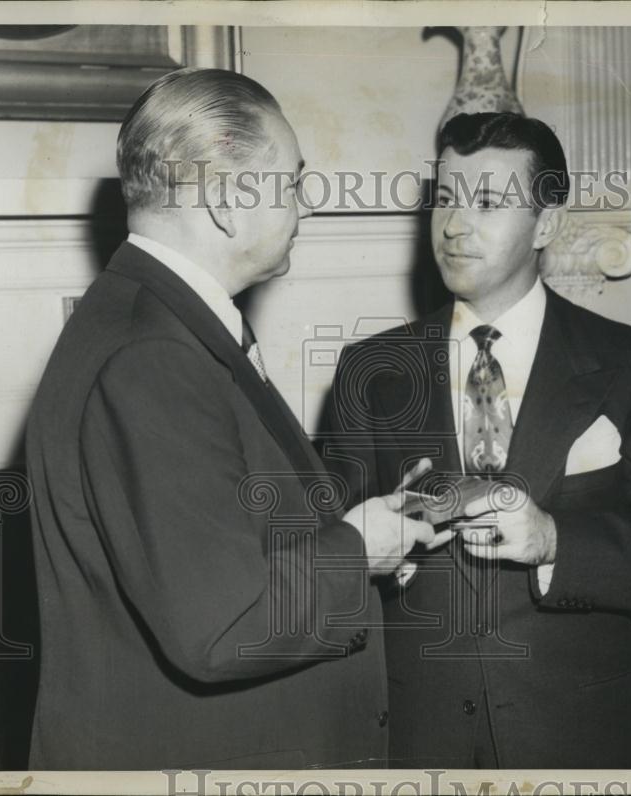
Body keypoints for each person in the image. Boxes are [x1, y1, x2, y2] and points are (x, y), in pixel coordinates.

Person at [25, 67, 433, 770]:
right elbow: (222, 625)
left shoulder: (158, 321)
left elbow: (223, 532)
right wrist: (357, 550)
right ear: (226, 200)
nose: (307, 208)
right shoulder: (154, 357)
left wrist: (365, 529)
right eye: (293, 184)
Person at [321, 112, 631, 769]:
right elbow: (329, 554)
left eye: (486, 203)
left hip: (572, 736)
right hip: (414, 734)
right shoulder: (369, 370)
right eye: (445, 198)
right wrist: (388, 548)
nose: (454, 225)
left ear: (547, 224)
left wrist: (554, 540)